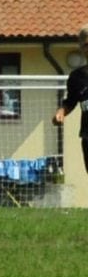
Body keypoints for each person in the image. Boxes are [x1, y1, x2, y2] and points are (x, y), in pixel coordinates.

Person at [53, 26, 88, 173]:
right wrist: (61, 112)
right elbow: (70, 102)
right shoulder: (76, 77)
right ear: (81, 48)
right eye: (86, 45)